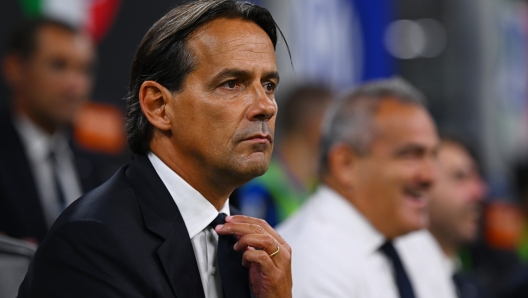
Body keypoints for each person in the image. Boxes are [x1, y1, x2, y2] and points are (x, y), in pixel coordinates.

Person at [18, 1, 292, 297]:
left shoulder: (251, 247)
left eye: (268, 85)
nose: (265, 106)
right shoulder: (92, 242)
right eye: (232, 84)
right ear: (158, 106)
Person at [278, 77, 457, 298]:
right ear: (346, 164)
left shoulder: (416, 242)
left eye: (433, 156)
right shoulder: (309, 257)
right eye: (411, 155)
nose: (431, 176)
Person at [0, 18, 108, 244]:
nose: (75, 85)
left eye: (85, 70)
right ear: (15, 68)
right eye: (58, 65)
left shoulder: (98, 168)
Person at [237, 85, 332, 226]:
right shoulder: (260, 186)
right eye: (336, 122)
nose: (344, 132)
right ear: (315, 127)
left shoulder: (323, 188)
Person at [427, 134, 489, 298]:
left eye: (477, 177)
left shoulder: (471, 285)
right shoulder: (394, 281)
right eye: (460, 176)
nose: (479, 192)